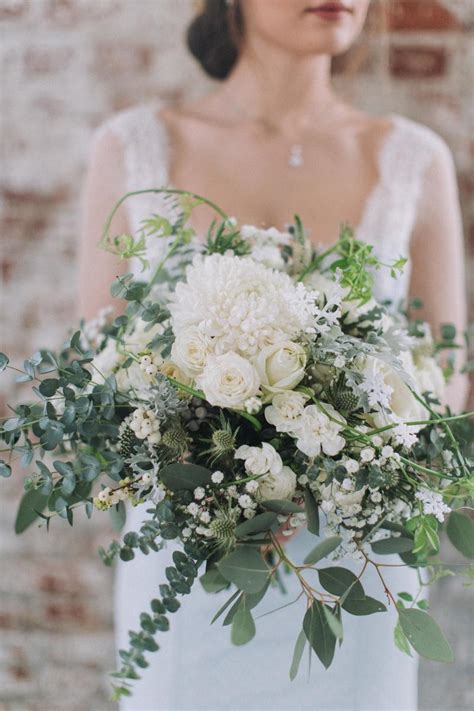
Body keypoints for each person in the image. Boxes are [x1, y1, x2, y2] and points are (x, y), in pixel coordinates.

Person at [78, 2, 467, 709]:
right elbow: (105, 379)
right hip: (193, 562)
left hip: (353, 567)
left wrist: (330, 466)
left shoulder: (413, 157)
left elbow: (448, 377)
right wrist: (224, 480)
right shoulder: (133, 147)